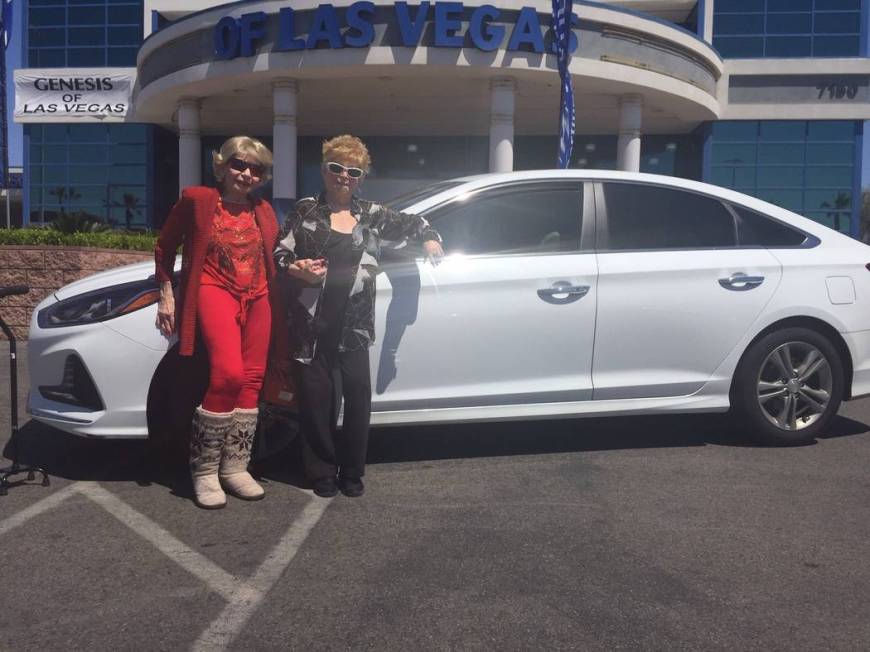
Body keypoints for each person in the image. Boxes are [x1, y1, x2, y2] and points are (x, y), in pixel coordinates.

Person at [274, 134, 443, 498]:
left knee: (357, 396)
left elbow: (415, 222)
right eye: (336, 168)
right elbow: (279, 252)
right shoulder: (305, 210)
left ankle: (352, 471)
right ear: (324, 170)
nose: (344, 177)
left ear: (361, 178)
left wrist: (430, 238)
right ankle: (321, 471)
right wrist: (296, 268)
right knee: (317, 401)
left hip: (354, 325)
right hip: (311, 322)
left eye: (353, 171)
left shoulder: (373, 215)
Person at [154, 136, 279, 509]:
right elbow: (164, 247)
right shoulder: (198, 199)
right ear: (222, 165)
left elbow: (276, 256)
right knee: (227, 374)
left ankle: (235, 467)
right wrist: (167, 293)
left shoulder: (265, 210)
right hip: (214, 288)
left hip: (258, 296)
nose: (246, 173)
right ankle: (205, 470)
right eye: (239, 164)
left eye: (256, 169)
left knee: (253, 377)